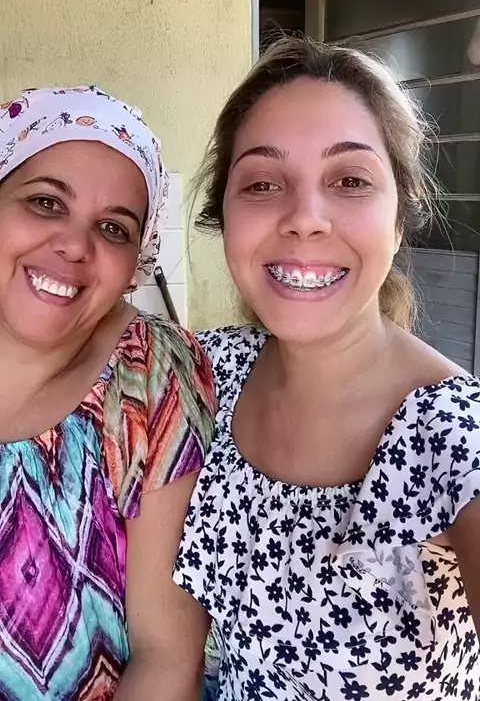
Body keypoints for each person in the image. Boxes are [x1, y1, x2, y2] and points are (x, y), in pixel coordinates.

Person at [175, 37, 480, 700]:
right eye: (262, 184)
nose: (305, 220)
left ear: (400, 216)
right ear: (223, 216)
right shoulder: (206, 374)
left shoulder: (455, 433)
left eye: (350, 181)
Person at [0, 85, 215, 700]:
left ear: (135, 262)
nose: (74, 245)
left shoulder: (150, 372)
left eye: (113, 228)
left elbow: (166, 656)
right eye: (45, 202)